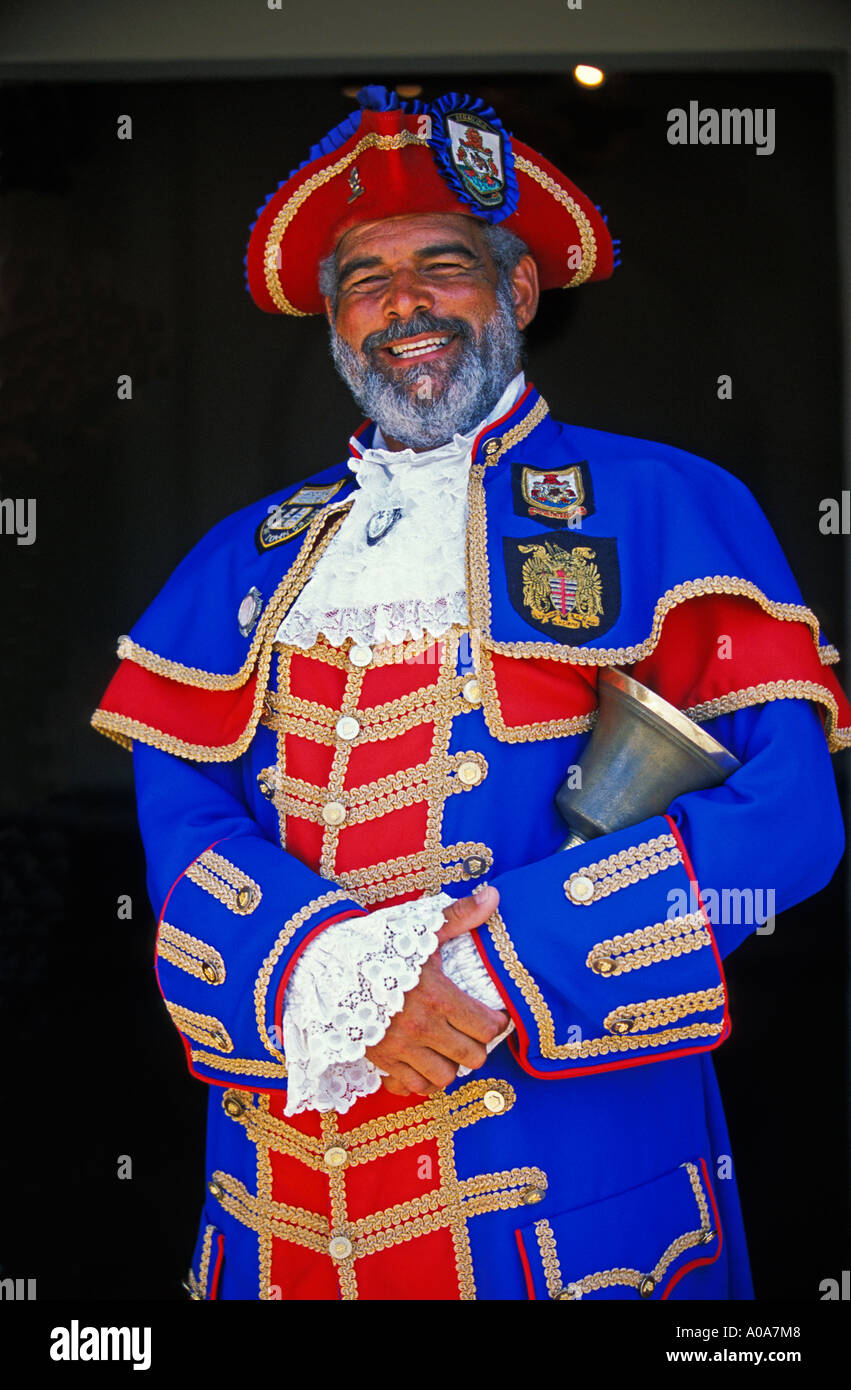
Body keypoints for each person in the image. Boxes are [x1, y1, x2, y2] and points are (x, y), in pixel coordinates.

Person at [92, 85, 850, 1301]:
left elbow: (787, 817)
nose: (403, 305)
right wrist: (323, 971)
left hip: (562, 1185)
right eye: (364, 279)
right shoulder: (240, 560)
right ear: (336, 323)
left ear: (516, 294)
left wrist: (500, 964)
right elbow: (184, 828)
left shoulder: (665, 505)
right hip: (284, 1201)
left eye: (442, 266)